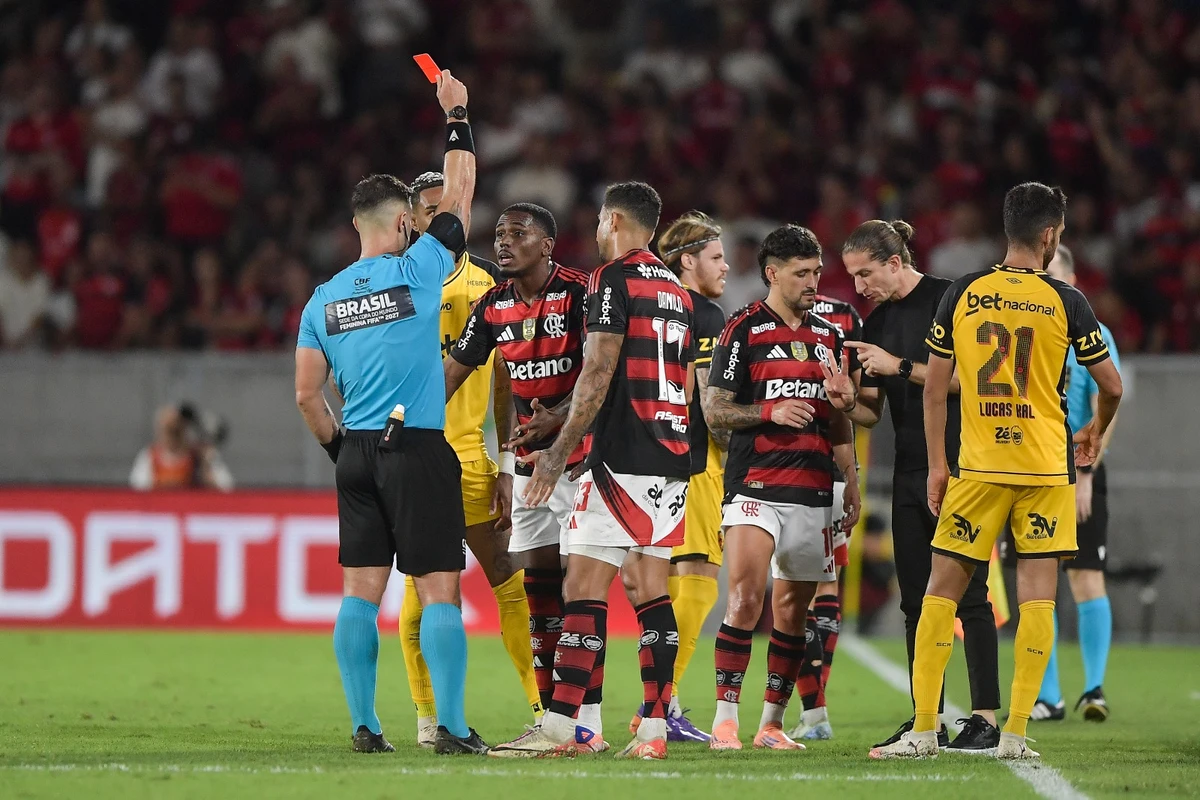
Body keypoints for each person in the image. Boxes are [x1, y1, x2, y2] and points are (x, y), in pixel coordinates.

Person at [860, 182, 1122, 760]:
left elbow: (933, 388)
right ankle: (1017, 733)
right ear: (1051, 234)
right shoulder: (1067, 302)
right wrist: (1095, 431)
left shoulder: (963, 292)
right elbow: (1112, 385)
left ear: (1007, 230)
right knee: (1037, 601)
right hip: (1045, 473)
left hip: (977, 470)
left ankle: (925, 730)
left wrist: (935, 464)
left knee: (938, 595)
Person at [293, 70, 488, 755]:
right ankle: (455, 728)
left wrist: (343, 452)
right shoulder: (421, 268)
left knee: (359, 594)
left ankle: (365, 727)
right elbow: (460, 192)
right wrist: (457, 112)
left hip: (355, 454)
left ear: (355, 226)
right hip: (417, 448)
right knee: (438, 591)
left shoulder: (320, 300)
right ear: (405, 224)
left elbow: (306, 397)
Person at [489, 181, 694, 760]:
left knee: (581, 590)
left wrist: (556, 454)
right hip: (670, 456)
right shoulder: (674, 288)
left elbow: (598, 369)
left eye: (601, 222)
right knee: (652, 592)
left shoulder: (611, 279)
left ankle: (561, 727)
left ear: (613, 221)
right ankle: (653, 731)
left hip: (620, 455)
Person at [831, 219, 1003, 752]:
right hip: (909, 470)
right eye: (853, 277)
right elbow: (872, 412)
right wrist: (844, 401)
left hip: (962, 466)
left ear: (894, 262)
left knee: (971, 597)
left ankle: (984, 718)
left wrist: (899, 364)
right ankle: (924, 717)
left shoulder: (953, 299)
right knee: (915, 600)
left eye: (865, 274)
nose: (859, 288)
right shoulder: (878, 321)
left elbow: (969, 380)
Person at [703, 224, 861, 751]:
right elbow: (714, 408)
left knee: (793, 611)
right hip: (754, 483)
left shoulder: (829, 336)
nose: (814, 281)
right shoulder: (741, 329)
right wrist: (768, 409)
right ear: (772, 273)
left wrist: (852, 481)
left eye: (817, 271)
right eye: (802, 273)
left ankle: (770, 723)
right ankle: (725, 720)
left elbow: (842, 421)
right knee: (747, 597)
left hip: (814, 488)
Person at [396, 171, 540, 747]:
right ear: (411, 218)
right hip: (409, 458)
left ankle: (542, 706)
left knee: (509, 579)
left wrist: (508, 463)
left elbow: (506, 381)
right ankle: (429, 719)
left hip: (469, 459)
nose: (441, 218)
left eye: (449, 207)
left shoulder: (488, 285)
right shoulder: (394, 283)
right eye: (431, 210)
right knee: (419, 598)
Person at [446, 202, 597, 741]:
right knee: (540, 597)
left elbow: (608, 371)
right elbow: (449, 378)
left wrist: (558, 417)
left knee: (585, 594)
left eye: (517, 234)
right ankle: (555, 722)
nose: (503, 243)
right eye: (500, 235)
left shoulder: (582, 294)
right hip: (535, 469)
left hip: (586, 463)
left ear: (548, 245)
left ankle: (590, 721)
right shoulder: (491, 308)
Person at [627, 211, 729, 743]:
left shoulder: (652, 302)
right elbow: (709, 404)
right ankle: (659, 706)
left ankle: (664, 700)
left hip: (647, 460)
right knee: (697, 585)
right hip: (695, 462)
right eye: (716, 256)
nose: (726, 266)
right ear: (687, 260)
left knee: (659, 588)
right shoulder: (707, 315)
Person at [1033, 243, 1122, 722]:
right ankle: (1049, 696)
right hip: (1031, 469)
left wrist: (1085, 472)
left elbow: (1109, 403)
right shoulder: (1026, 325)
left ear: (1072, 278)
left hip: (1077, 468)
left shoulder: (1094, 332)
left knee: (1086, 578)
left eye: (1056, 273)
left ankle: (1093, 689)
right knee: (1038, 585)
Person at [789, 292, 862, 742]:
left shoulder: (778, 318)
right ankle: (816, 706)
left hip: (797, 469)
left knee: (793, 593)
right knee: (825, 583)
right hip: (836, 465)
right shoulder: (846, 318)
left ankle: (814, 707)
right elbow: (850, 402)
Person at [130, 403, 233, 491]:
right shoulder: (149, 456)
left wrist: (206, 467)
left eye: (177, 430)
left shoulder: (200, 455)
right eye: (169, 430)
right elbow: (138, 492)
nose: (173, 435)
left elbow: (227, 489)